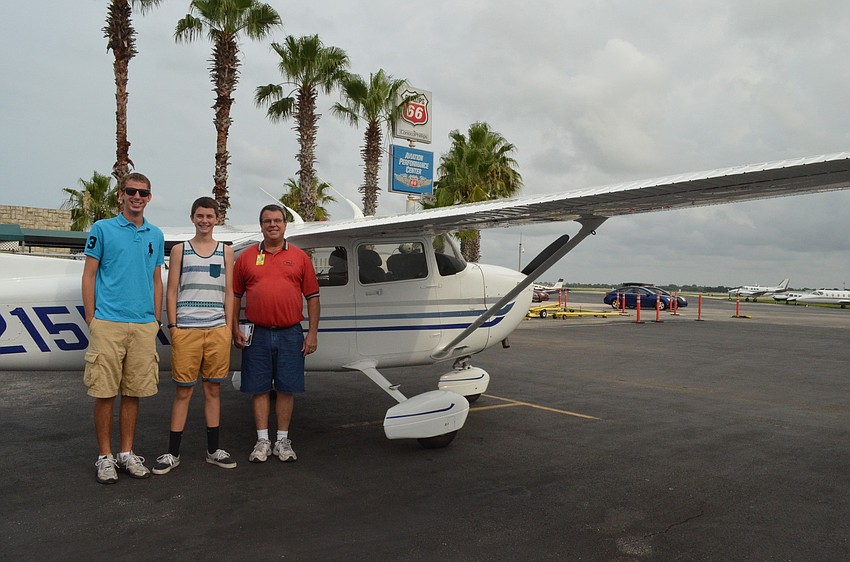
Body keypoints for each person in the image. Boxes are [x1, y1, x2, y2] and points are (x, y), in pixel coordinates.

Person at [82, 172, 164, 484]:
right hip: (108, 322)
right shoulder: (102, 229)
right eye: (131, 191)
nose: (137, 197)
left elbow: (156, 278)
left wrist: (155, 318)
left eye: (143, 192)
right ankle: (104, 456)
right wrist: (92, 317)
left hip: (143, 324)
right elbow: (89, 274)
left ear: (149, 197)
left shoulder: (155, 235)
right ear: (122, 194)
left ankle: (126, 453)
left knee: (133, 393)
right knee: (104, 393)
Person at [152, 197, 237, 475]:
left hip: (217, 329)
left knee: (213, 389)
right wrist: (173, 326)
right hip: (186, 329)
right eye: (200, 216)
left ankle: (214, 450)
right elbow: (172, 290)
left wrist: (226, 327)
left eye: (209, 216)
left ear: (217, 219)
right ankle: (172, 452)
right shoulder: (180, 250)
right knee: (183, 391)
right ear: (192, 218)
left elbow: (229, 293)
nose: (204, 221)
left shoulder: (226, 251)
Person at [232, 204, 320, 463]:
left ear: (285, 225)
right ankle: (262, 441)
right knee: (258, 388)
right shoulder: (246, 257)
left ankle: (282, 440)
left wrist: (312, 333)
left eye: (278, 220)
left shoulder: (300, 257)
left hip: (290, 333)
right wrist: (235, 326)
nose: (273, 224)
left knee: (286, 387)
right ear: (261, 225)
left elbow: (313, 297)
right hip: (256, 333)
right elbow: (235, 296)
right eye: (267, 221)